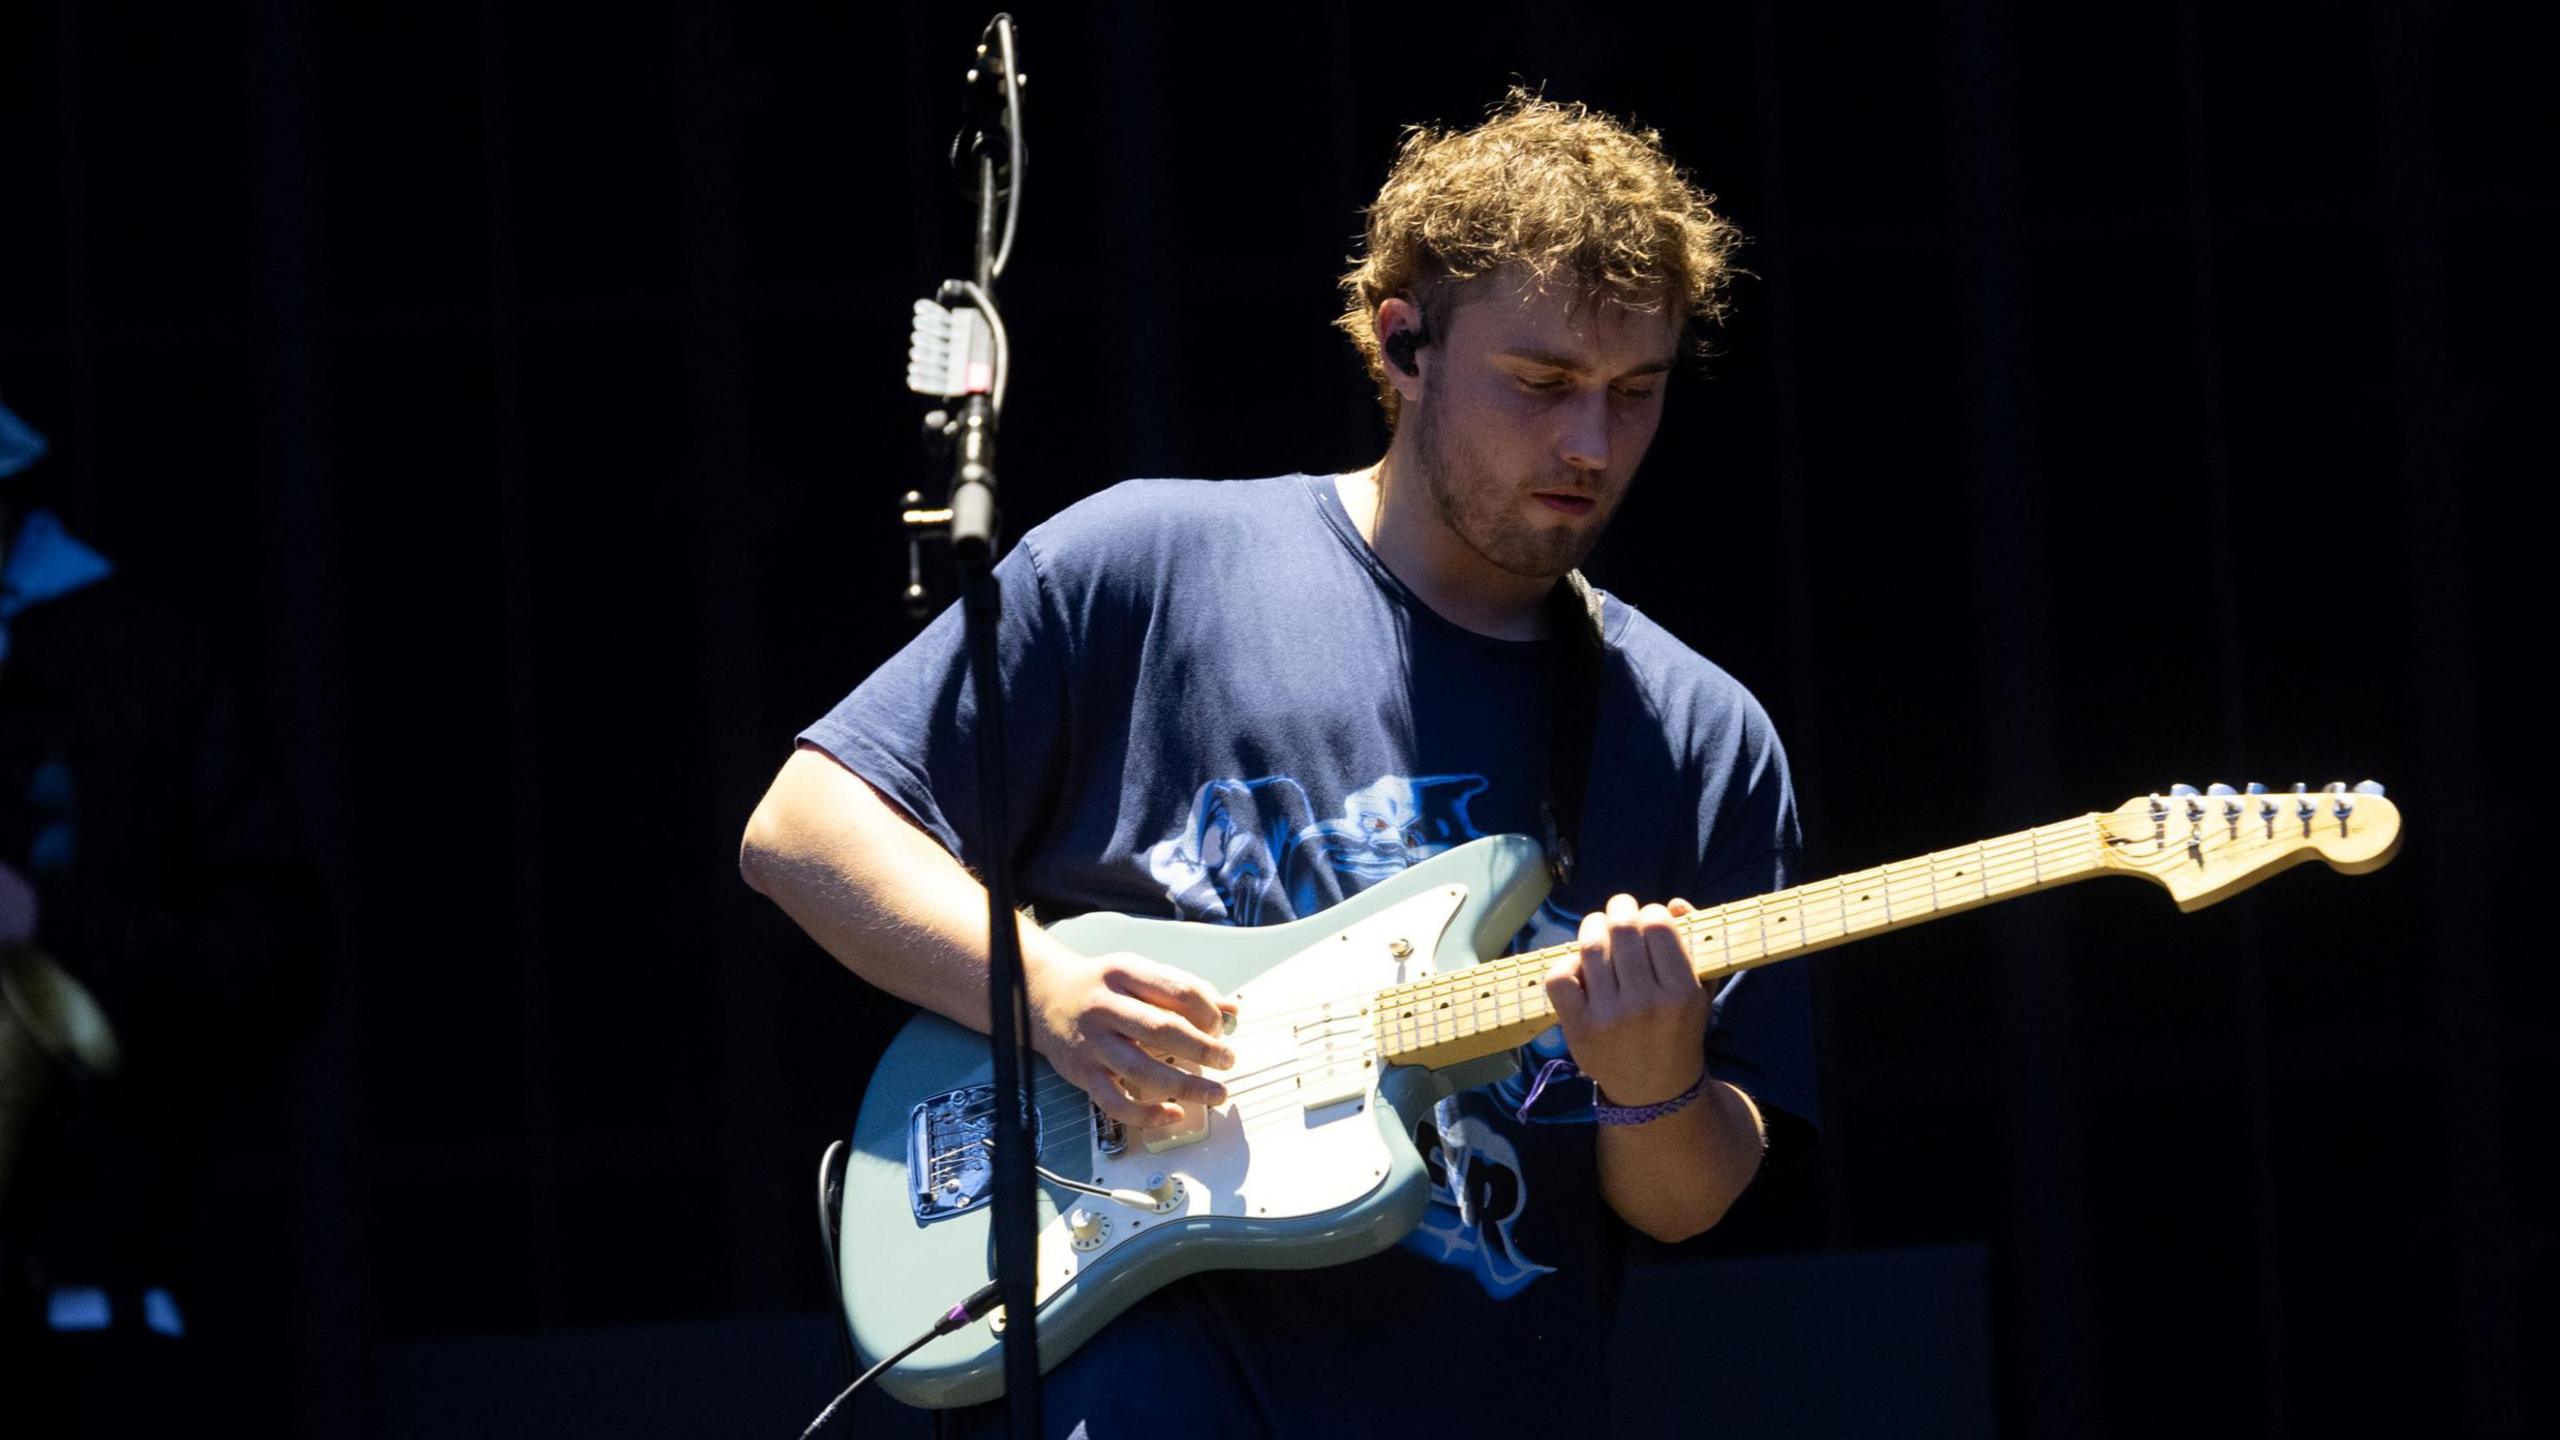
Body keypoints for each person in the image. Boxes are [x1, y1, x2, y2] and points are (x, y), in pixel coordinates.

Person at [743, 90, 1814, 1435]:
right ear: (1403, 344)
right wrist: (1051, 993)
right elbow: (804, 828)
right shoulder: (1150, 563)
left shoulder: (1698, 735)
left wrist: (1654, 1079)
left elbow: (1684, 1199)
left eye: (1636, 394)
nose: (1591, 448)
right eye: (1542, 386)